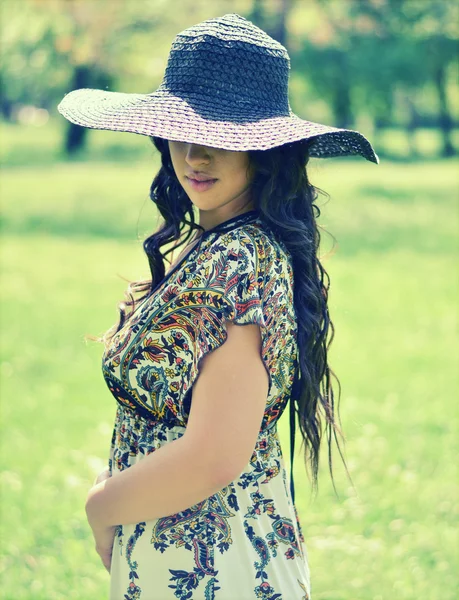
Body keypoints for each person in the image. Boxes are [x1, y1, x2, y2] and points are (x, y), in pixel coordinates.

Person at [57, 13, 379, 600]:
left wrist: (101, 506)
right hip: (183, 552)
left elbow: (213, 455)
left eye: (221, 136)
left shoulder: (242, 259)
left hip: (216, 564)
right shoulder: (217, 243)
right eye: (182, 130)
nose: (195, 154)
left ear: (265, 150)